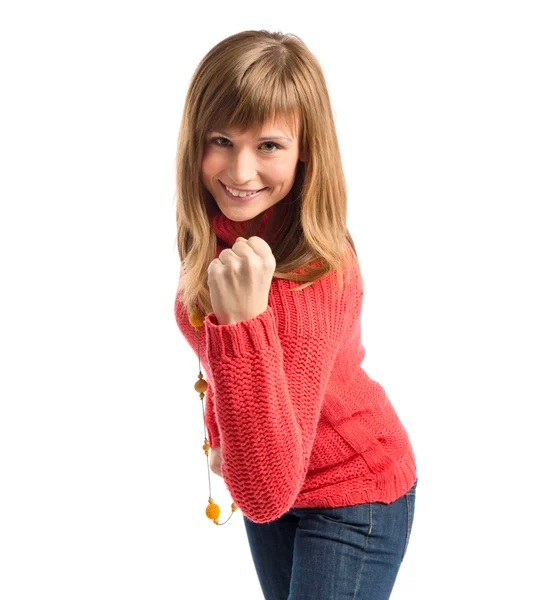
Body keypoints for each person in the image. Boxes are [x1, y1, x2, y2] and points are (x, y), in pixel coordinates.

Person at [174, 29, 418, 600]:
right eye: (221, 140)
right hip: (270, 465)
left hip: (352, 492)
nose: (239, 171)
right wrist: (221, 435)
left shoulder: (312, 278)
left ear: (306, 148)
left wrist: (243, 324)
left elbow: (262, 496)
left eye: (269, 146)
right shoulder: (225, 228)